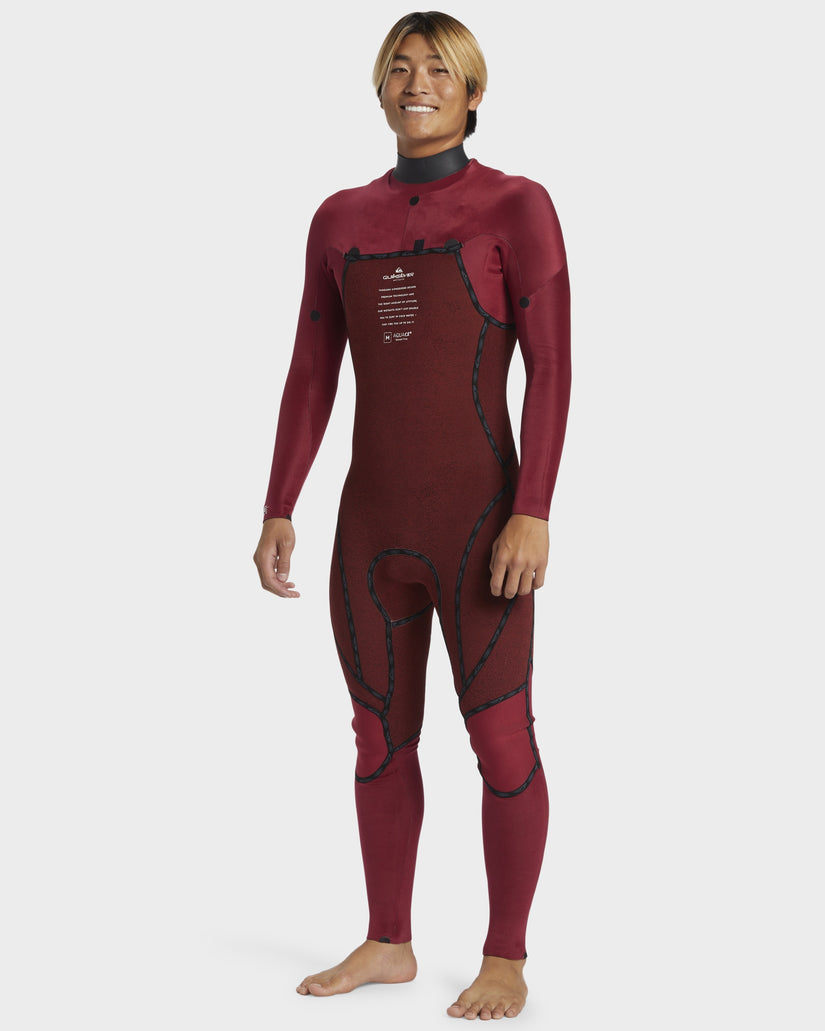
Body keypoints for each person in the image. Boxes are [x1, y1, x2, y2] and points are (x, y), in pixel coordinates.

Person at [253, 10, 571, 1020]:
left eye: (439, 67)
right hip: (370, 532)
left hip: (483, 528)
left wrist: (533, 510)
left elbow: (553, 367)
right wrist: (279, 504)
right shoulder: (338, 218)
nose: (417, 81)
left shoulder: (517, 206)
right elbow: (312, 369)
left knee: (501, 740)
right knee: (378, 740)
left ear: (474, 92)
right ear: (380, 87)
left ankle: (506, 955)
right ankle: (388, 940)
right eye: (400, 65)